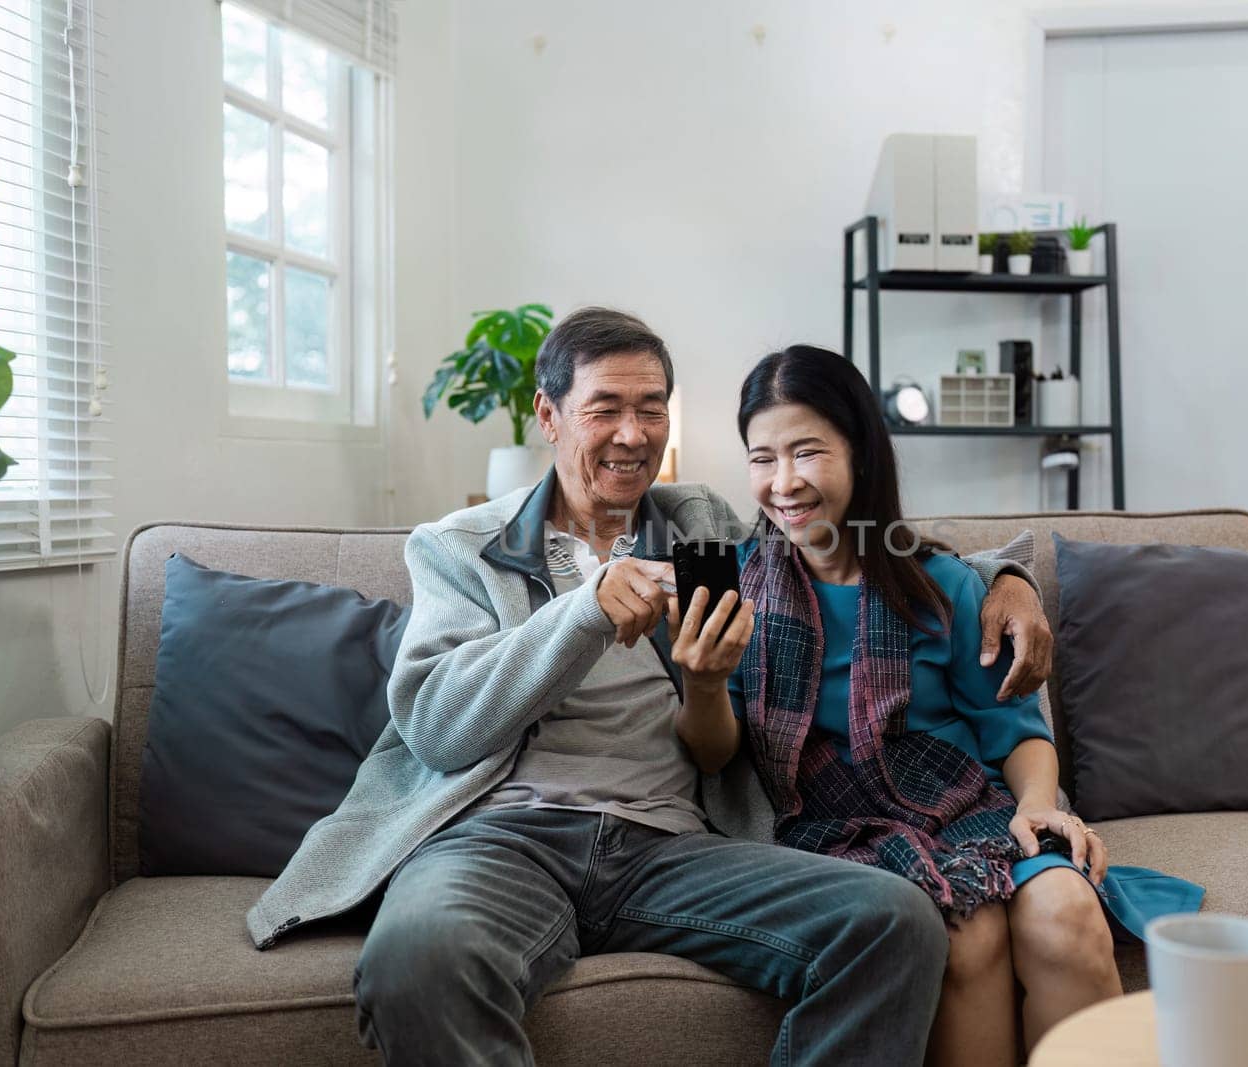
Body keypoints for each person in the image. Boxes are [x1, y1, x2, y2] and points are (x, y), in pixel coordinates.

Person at [244, 309, 1058, 1066]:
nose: (633, 434)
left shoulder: (700, 523)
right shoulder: (462, 548)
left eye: (653, 407)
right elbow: (438, 726)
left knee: (894, 921)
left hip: (670, 846)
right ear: (549, 414)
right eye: (605, 408)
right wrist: (585, 613)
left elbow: (839, 542)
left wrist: (1003, 579)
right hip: (498, 840)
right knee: (414, 958)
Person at [669, 345, 1205, 1066]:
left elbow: (1015, 728)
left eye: (806, 452)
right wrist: (703, 683)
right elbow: (714, 752)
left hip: (969, 808)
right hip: (835, 828)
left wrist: (1040, 805)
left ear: (860, 452)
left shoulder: (942, 585)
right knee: (966, 931)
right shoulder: (735, 585)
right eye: (762, 458)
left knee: (1067, 912)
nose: (783, 481)